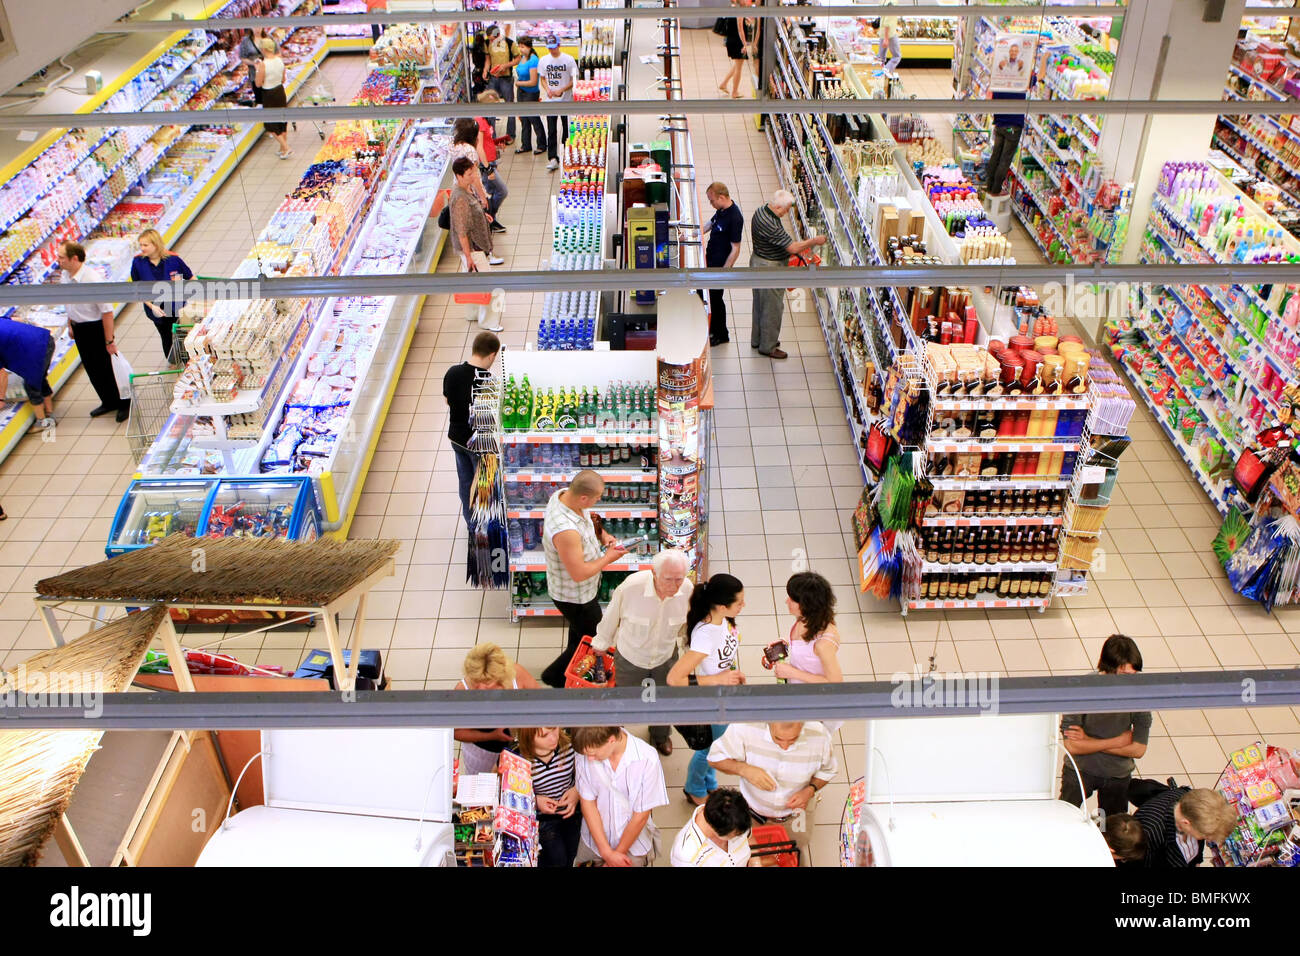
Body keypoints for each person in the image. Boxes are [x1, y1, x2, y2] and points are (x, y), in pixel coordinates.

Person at [591, 549, 693, 757]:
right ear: (654, 573)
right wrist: (601, 643)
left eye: (679, 579)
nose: (674, 586)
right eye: (668, 579)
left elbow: (688, 628)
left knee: (662, 700)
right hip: (630, 658)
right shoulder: (631, 587)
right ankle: (615, 735)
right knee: (623, 698)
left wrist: (691, 654)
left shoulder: (688, 591)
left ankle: (660, 735)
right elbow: (612, 616)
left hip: (665, 658)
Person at [538, 469, 625, 688]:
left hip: (583, 592)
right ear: (584, 497)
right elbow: (578, 574)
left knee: (579, 636)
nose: (599, 500)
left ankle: (562, 673)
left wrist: (603, 536)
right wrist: (609, 557)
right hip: (575, 598)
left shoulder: (565, 495)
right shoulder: (565, 530)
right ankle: (555, 676)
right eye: (597, 497)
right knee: (595, 637)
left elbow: (588, 522)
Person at [708, 721, 839, 865]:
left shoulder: (819, 736)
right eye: (778, 739)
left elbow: (828, 770)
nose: (785, 747)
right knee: (750, 855)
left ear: (803, 724)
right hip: (752, 815)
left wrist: (810, 789)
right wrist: (744, 769)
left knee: (794, 849)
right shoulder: (745, 728)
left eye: (793, 739)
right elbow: (714, 758)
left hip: (796, 816)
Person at [668, 573, 746, 805]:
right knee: (712, 749)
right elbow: (674, 678)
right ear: (722, 606)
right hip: (712, 701)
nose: (744, 606)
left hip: (724, 695)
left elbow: (721, 657)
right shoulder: (704, 636)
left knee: (717, 744)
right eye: (739, 602)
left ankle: (709, 783)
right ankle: (693, 788)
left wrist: (731, 673)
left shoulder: (724, 620)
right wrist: (719, 678)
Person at [1058, 634, 1150, 818]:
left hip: (1118, 776)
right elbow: (1072, 746)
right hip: (1079, 771)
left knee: (1114, 828)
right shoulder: (1081, 690)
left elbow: (1139, 750)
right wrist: (1119, 741)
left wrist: (1089, 741)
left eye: (1134, 675)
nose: (1131, 681)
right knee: (1064, 817)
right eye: (1125, 675)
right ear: (1108, 668)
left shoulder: (1140, 696)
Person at [572, 725, 669, 867]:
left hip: (633, 846)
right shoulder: (584, 754)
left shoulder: (647, 758)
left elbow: (641, 815)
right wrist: (607, 853)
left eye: (593, 753)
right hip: (594, 843)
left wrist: (616, 857)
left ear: (611, 740)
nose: (590, 759)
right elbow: (588, 803)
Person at [749, 190, 826, 360]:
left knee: (760, 303)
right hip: (769, 268)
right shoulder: (770, 223)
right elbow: (792, 248)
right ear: (777, 207)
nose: (787, 213)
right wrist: (814, 241)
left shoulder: (760, 211)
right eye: (786, 209)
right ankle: (767, 347)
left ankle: (758, 339)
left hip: (757, 261)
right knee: (772, 307)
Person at [57, 241, 127, 422]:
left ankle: (124, 403)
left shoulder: (92, 279)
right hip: (79, 328)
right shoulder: (65, 276)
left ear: (74, 258)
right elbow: (68, 302)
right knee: (92, 368)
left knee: (108, 367)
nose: (58, 261)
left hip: (96, 328)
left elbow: (107, 312)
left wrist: (109, 340)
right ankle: (108, 401)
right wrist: (70, 324)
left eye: (61, 257)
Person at [452, 642, 539, 776]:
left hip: (520, 749)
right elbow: (456, 732)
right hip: (482, 754)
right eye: (476, 682)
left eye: (487, 683)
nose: (480, 688)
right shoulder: (462, 691)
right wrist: (491, 735)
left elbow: (540, 702)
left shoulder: (518, 676)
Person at [443, 330, 500, 529]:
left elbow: (448, 401)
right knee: (482, 487)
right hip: (479, 444)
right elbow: (490, 419)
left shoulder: (452, 372)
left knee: (465, 482)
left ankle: (471, 525)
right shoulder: (489, 382)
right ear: (492, 355)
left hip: (456, 438)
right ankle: (484, 528)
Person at [774, 571, 844, 733]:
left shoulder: (824, 643)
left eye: (792, 599)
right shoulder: (806, 619)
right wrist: (784, 643)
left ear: (806, 604)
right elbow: (803, 647)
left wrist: (792, 672)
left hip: (816, 706)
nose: (787, 601)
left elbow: (836, 685)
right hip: (799, 695)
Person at [448, 156, 505, 331]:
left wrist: (482, 215)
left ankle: (473, 313)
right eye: (468, 174)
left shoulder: (467, 189)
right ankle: (489, 321)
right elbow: (462, 230)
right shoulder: (460, 199)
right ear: (458, 176)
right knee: (491, 285)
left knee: (472, 282)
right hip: (473, 248)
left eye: (473, 172)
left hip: (473, 247)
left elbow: (472, 213)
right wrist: (468, 255)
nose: (472, 176)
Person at [511, 726, 580, 867]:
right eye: (544, 736)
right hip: (543, 821)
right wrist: (535, 801)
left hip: (572, 815)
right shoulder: (519, 759)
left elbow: (586, 774)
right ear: (527, 737)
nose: (553, 738)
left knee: (574, 856)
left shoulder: (571, 747)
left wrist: (577, 791)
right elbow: (510, 793)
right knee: (556, 859)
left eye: (554, 729)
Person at [128, 228, 193, 362]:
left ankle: (189, 360)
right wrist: (151, 306)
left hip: (177, 306)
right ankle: (173, 361)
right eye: (140, 245)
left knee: (182, 332)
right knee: (165, 334)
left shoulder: (174, 260)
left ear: (156, 245)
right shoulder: (138, 263)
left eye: (145, 245)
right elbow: (137, 289)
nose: (142, 248)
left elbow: (191, 278)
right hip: (156, 308)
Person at [1134, 786, 1237, 868]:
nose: (1207, 839)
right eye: (1205, 836)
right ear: (1186, 823)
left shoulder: (1193, 805)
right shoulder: (1150, 833)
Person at [701, 182, 743, 346]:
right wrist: (694, 233)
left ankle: (721, 334)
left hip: (719, 266)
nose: (711, 204)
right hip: (711, 260)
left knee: (716, 299)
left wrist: (725, 272)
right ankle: (712, 328)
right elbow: (710, 224)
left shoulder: (735, 217)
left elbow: (736, 248)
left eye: (712, 200)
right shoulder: (721, 210)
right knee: (711, 297)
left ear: (722, 197)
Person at [451, 118, 508, 240]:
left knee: (468, 223)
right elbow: (474, 176)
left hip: (459, 188)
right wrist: (482, 197)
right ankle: (484, 252)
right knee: (478, 224)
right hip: (471, 191)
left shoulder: (455, 146)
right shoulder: (470, 150)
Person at [671, 788, 753, 867]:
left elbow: (748, 839)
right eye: (736, 835)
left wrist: (754, 860)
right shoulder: (687, 856)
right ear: (717, 829)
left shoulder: (737, 816)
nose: (741, 835)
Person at [0, 317, 55, 430]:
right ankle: (49, 414)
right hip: (45, 339)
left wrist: (1, 399)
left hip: (35, 349)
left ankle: (42, 422)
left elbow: (2, 375)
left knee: (31, 384)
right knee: (40, 378)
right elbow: (17, 319)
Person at [538, 35, 577, 172]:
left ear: (559, 45)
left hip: (566, 100)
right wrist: (547, 89)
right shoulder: (543, 60)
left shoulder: (569, 59)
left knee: (567, 129)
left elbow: (574, 80)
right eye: (549, 48)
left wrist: (562, 89)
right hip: (550, 102)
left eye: (554, 48)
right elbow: (542, 78)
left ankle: (567, 154)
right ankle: (553, 158)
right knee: (552, 130)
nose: (552, 51)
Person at [474, 91, 510, 233]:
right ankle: (489, 219)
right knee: (501, 191)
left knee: (493, 192)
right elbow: (479, 146)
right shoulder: (480, 121)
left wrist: (496, 144)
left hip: (490, 162)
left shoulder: (485, 120)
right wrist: (488, 169)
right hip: (486, 165)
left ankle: (489, 219)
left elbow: (486, 142)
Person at [983, 90, 1027, 196]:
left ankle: (988, 185)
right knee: (1005, 159)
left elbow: (991, 97)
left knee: (996, 155)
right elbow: (1037, 78)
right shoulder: (1021, 81)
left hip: (1000, 123)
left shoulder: (1001, 79)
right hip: (1013, 126)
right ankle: (996, 190)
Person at [254, 37, 292, 160]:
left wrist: (257, 71)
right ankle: (282, 149)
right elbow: (283, 79)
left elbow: (258, 84)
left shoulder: (263, 65)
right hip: (280, 91)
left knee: (271, 124)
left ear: (263, 49)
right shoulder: (280, 60)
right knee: (282, 120)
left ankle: (286, 147)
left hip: (269, 94)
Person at [481, 24, 520, 143]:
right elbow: (488, 59)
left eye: (492, 39)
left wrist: (505, 66)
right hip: (493, 79)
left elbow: (517, 58)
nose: (491, 41)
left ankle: (511, 135)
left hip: (506, 78)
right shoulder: (487, 43)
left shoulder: (510, 43)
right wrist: (485, 69)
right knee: (490, 106)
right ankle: (492, 136)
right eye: (489, 39)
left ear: (498, 35)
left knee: (509, 106)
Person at [513, 37, 547, 156]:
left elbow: (533, 81)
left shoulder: (533, 60)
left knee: (534, 119)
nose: (520, 49)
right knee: (524, 119)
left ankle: (542, 145)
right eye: (519, 46)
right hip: (521, 92)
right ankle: (526, 145)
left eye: (523, 47)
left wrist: (518, 83)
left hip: (530, 93)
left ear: (529, 46)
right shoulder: (523, 58)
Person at [718, 0, 755, 99]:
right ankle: (735, 92)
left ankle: (724, 84)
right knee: (739, 68)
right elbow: (740, 29)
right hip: (737, 41)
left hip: (731, 40)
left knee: (737, 65)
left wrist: (745, 19)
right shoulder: (740, 11)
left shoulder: (732, 7)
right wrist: (744, 44)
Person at [238, 28, 267, 105]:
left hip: (269, 72)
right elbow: (242, 57)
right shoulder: (246, 41)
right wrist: (253, 63)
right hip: (255, 74)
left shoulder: (268, 37)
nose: (257, 29)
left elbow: (276, 53)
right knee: (260, 99)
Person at [878, 3, 902, 73]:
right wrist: (886, 38)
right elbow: (887, 22)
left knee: (881, 57)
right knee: (897, 56)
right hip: (890, 33)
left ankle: (878, 74)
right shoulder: (892, 2)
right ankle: (884, 73)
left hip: (883, 31)